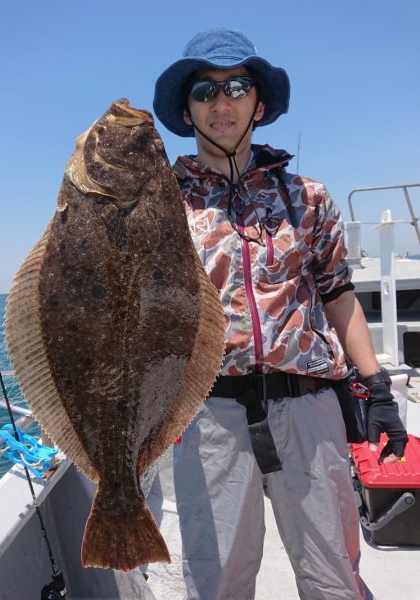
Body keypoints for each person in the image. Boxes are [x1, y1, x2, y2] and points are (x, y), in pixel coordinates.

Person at [153, 27, 408, 600]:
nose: (221, 102)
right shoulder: (160, 203)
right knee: (215, 585)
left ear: (259, 103)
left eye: (236, 86)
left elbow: (339, 294)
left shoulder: (306, 197)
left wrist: (378, 387)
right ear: (187, 109)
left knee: (334, 580)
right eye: (204, 90)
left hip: (310, 409)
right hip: (208, 415)